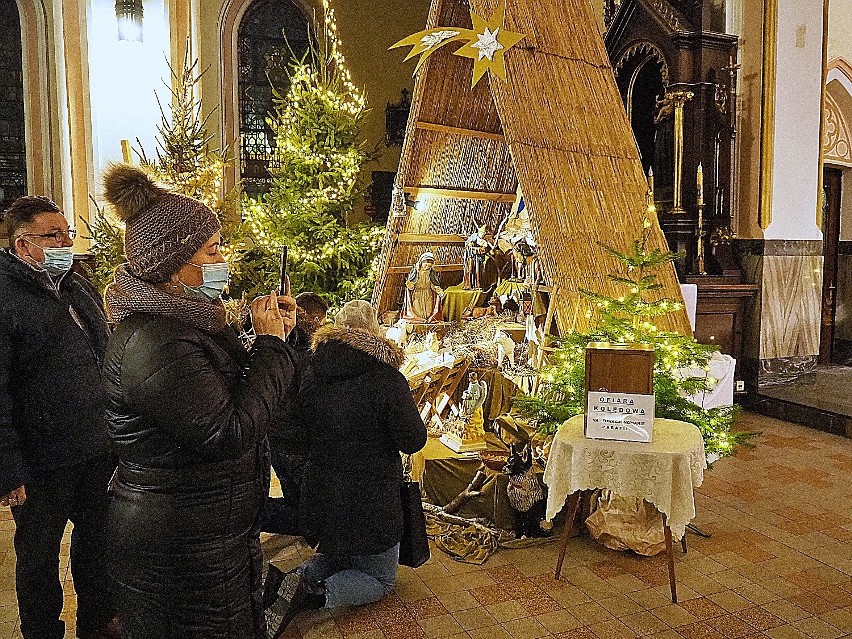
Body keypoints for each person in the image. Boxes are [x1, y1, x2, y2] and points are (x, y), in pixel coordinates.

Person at [99, 163, 297, 639]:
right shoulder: (156, 342)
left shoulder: (188, 323)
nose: (224, 258)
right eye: (212, 250)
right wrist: (270, 347)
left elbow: (225, 387)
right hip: (180, 548)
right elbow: (226, 431)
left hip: (207, 535)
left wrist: (274, 337)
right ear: (174, 267)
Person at [265, 300, 427, 638]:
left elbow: (298, 427)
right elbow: (413, 440)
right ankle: (313, 594)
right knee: (380, 579)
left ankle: (296, 578)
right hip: (371, 498)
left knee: (338, 554)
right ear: (373, 332)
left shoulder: (312, 371)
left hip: (321, 489)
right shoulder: (387, 378)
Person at [0, 196, 119, 639]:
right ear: (24, 244)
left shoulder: (76, 284)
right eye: (54, 235)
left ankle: (98, 625)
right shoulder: (6, 296)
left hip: (95, 447)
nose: (66, 241)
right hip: (39, 460)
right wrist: (9, 469)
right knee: (37, 561)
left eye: (67, 232)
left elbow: (102, 353)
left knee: (97, 548)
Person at [262, 292, 329, 535]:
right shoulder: (306, 352)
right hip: (294, 438)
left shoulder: (279, 343)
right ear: (312, 318)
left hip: (277, 433)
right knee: (308, 509)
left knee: (296, 496)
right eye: (320, 320)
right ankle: (254, 516)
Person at [402, 251, 444, 322]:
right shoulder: (416, 272)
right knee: (418, 311)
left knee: (428, 311)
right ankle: (419, 322)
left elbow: (434, 284)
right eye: (426, 265)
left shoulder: (431, 273)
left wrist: (438, 290)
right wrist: (410, 285)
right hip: (417, 294)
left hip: (428, 293)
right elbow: (411, 283)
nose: (427, 267)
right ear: (422, 262)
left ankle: (428, 322)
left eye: (429, 266)